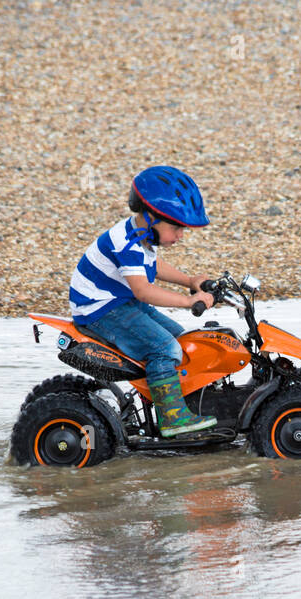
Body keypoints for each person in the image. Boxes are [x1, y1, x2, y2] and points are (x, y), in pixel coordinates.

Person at [68, 166, 218, 437]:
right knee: (164, 347)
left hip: (120, 303)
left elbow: (153, 265)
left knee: (185, 341)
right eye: (176, 228)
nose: (180, 235)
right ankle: (172, 418)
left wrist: (190, 280)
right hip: (101, 310)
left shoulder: (140, 235)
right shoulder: (126, 243)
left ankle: (170, 397)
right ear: (151, 217)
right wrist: (190, 300)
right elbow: (144, 292)